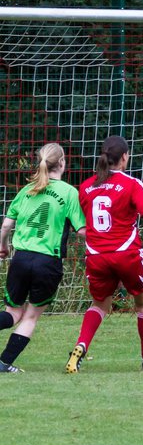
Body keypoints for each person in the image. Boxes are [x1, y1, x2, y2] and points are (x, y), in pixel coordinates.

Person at [66, 136, 143, 373]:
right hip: (126, 253)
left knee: (100, 305)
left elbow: (86, 223)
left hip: (96, 255)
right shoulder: (131, 183)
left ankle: (81, 345)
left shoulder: (86, 186)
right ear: (124, 157)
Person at [0, 144, 87, 372]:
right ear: (61, 163)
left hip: (21, 258)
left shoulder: (28, 189)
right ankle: (3, 363)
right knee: (30, 317)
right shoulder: (69, 192)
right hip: (48, 262)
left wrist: (3, 247)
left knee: (12, 314)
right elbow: (82, 231)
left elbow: (7, 225)